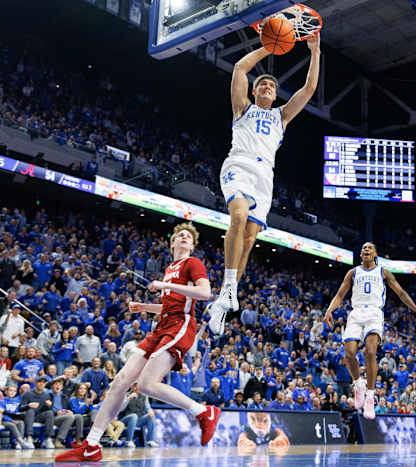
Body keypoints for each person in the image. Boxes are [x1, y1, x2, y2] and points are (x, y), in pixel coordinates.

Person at [56, 223, 219, 461]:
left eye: (188, 237)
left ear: (192, 245)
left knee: (146, 385)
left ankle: (204, 412)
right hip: (162, 325)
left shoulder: (192, 263)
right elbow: (169, 304)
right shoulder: (170, 268)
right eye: (179, 235)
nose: (184, 237)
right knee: (120, 381)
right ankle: (91, 444)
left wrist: (166, 285)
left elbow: (205, 293)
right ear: (172, 243)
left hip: (180, 325)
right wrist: (144, 307)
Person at [207, 33, 322, 334]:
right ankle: (229, 289)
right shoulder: (242, 108)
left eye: (272, 85)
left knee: (248, 240)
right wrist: (268, 46)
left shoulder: (281, 117)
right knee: (238, 215)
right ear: (256, 91)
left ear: (275, 94)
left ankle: (225, 298)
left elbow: (309, 89)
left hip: (264, 177)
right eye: (263, 84)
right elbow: (239, 70)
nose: (268, 87)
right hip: (239, 165)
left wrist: (315, 50)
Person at [324, 242, 416, 419]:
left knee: (370, 352)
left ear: (375, 254)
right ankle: (358, 385)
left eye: (369, 248)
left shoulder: (382, 272)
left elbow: (401, 293)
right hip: (356, 312)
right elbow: (341, 295)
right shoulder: (353, 272)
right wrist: (329, 310)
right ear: (361, 254)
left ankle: (370, 397)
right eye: (363, 248)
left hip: (374, 312)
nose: (365, 250)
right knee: (349, 354)